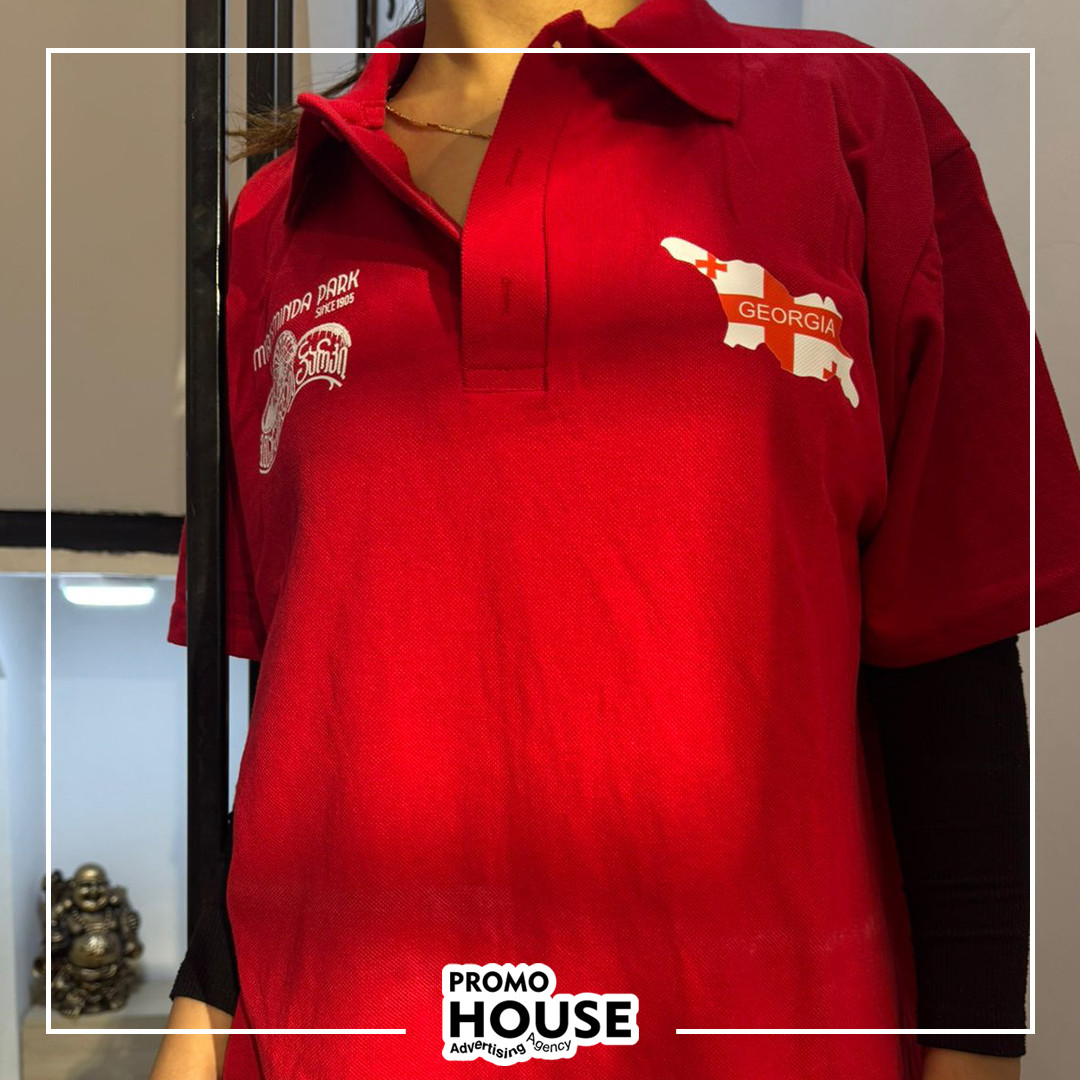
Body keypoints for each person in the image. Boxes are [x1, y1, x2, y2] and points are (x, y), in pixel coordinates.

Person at [149, 1, 1080, 1078]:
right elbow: (307, 715)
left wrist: (977, 1051)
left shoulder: (851, 123)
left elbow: (950, 671)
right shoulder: (281, 213)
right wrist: (198, 1020)